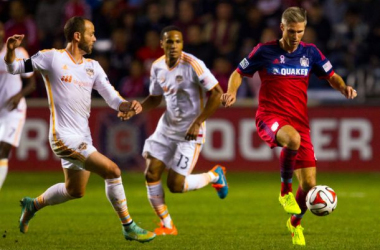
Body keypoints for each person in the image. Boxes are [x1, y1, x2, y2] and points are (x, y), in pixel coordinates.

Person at [4, 16, 155, 243]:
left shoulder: (93, 67)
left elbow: (113, 98)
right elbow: (14, 68)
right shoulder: (52, 58)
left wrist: (129, 106)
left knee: (75, 190)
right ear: (77, 36)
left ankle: (32, 205)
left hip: (83, 137)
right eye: (91, 33)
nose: (94, 38)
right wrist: (9, 51)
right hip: (63, 137)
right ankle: (128, 226)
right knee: (113, 171)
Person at [221, 7, 357, 246]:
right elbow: (238, 72)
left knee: (309, 185)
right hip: (269, 116)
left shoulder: (311, 53)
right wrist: (231, 92)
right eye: (292, 31)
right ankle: (284, 192)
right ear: (282, 28)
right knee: (292, 140)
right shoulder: (264, 51)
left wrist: (343, 87)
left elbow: (331, 75)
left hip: (299, 122)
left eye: (301, 32)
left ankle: (295, 222)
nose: (296, 37)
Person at [119, 25, 227, 236]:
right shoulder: (157, 66)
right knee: (151, 172)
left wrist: (198, 122)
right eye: (169, 41)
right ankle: (167, 225)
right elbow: (156, 98)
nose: (174, 45)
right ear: (162, 44)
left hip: (190, 131)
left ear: (182, 44)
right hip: (167, 127)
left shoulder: (193, 64)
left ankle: (214, 176)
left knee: (176, 185)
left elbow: (216, 93)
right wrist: (138, 108)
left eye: (178, 41)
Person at [0, 21, 35, 192]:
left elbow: (32, 83)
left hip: (14, 110)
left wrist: (18, 95)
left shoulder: (19, 52)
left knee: (3, 148)